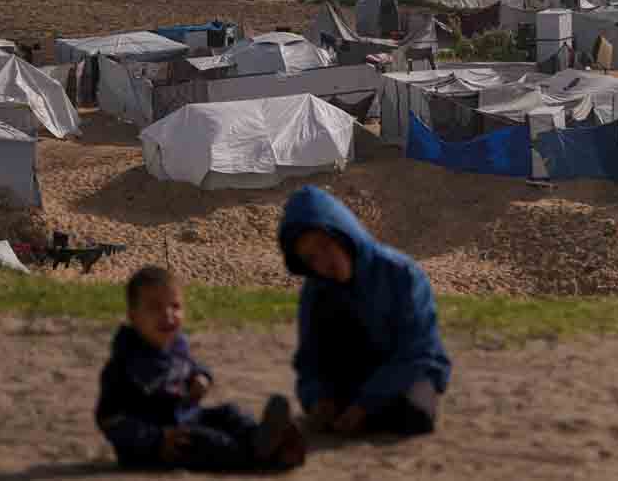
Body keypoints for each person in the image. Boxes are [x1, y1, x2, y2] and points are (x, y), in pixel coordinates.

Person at [279, 186, 451, 437]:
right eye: (311, 258)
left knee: (417, 413)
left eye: (325, 246)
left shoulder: (401, 273)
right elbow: (309, 358)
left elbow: (417, 350)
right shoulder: (316, 291)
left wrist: (365, 406)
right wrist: (317, 399)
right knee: (325, 411)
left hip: (407, 374)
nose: (324, 262)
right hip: (354, 378)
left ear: (343, 234)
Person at [95, 266, 306, 471]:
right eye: (154, 307)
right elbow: (109, 419)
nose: (168, 314)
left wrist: (201, 377)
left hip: (187, 416)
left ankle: (261, 437)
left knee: (228, 413)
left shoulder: (174, 347)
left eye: (175, 306)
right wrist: (156, 439)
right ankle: (263, 456)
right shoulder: (124, 364)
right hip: (158, 444)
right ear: (133, 317)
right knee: (206, 441)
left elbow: (192, 367)